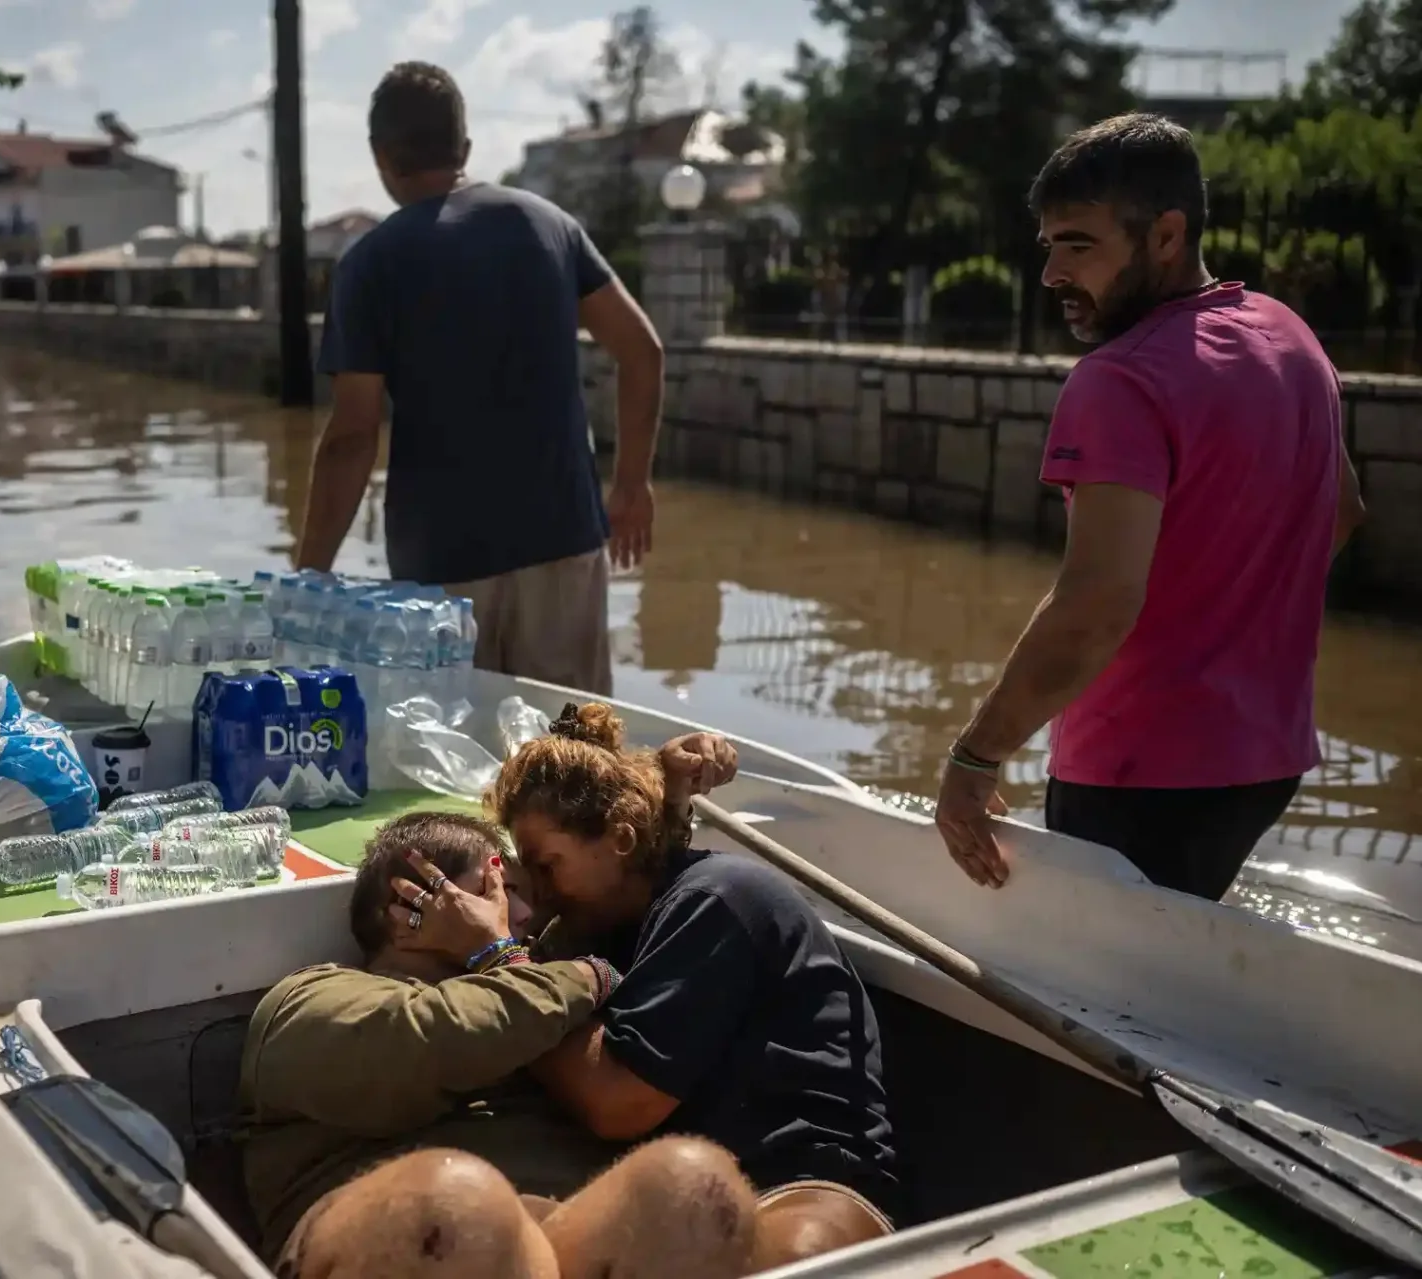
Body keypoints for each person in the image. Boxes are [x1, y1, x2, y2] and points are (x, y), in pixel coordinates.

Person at [933, 113, 1367, 903]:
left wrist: (974, 756)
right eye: (1050, 245)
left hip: (1141, 771)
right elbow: (1339, 513)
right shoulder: (1292, 339)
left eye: (1080, 245)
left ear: (1166, 236)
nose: (1053, 273)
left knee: (1095, 1000)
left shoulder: (1120, 378)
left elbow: (1095, 602)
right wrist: (1221, 613)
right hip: (1267, 762)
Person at [395, 704, 896, 1271]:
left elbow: (619, 1102)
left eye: (548, 864)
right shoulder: (600, 924)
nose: (538, 891)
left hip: (800, 1193)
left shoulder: (717, 899)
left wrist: (493, 957)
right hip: (673, 1199)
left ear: (622, 841)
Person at [238, 812, 761, 1279]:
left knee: (692, 1185)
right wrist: (574, 971)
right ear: (409, 901)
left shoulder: (541, 1013)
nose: (525, 917)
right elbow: (438, 1038)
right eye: (499, 888)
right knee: (457, 1204)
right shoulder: (311, 998)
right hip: (400, 1236)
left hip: (556, 1240)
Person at [293, 61, 667, 696]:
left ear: (381, 156)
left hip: (441, 571)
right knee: (577, 768)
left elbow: (353, 435)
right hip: (564, 543)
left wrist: (309, 577)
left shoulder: (371, 263)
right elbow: (643, 351)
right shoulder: (548, 226)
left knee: (453, 775)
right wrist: (631, 486)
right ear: (464, 148)